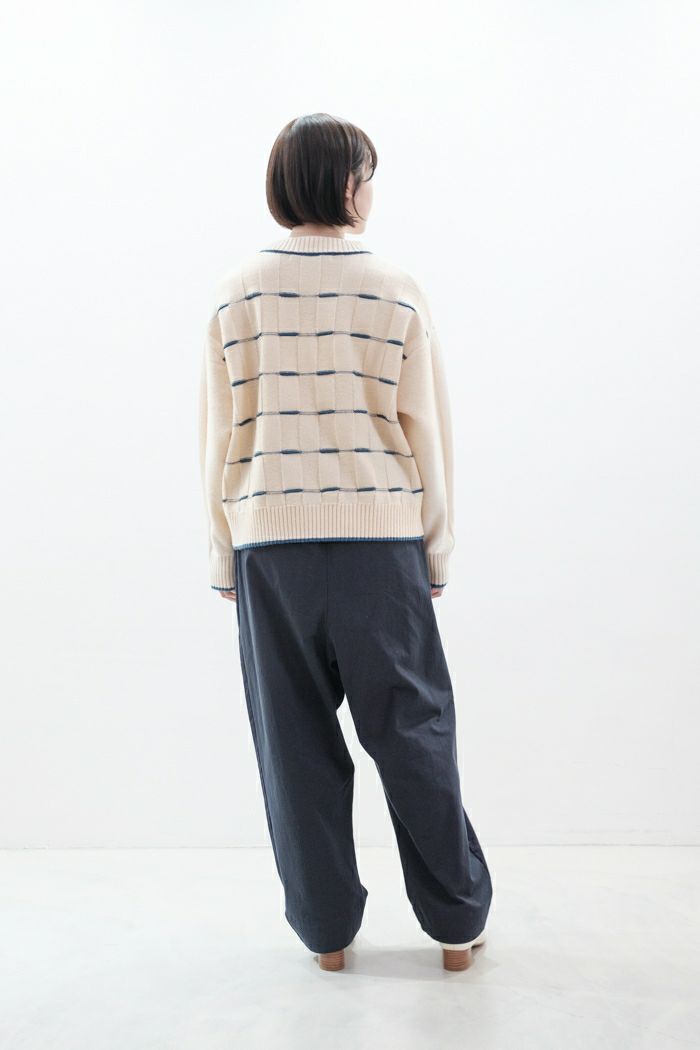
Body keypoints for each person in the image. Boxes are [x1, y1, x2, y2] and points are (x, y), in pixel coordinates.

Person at [198, 112, 493, 972]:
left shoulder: (236, 292)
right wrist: (434, 546)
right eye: (368, 174)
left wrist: (222, 550)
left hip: (269, 549)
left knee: (293, 747)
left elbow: (220, 435)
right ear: (346, 183)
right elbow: (424, 426)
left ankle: (326, 934)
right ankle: (456, 923)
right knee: (413, 732)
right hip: (379, 545)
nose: (371, 190)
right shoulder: (393, 287)